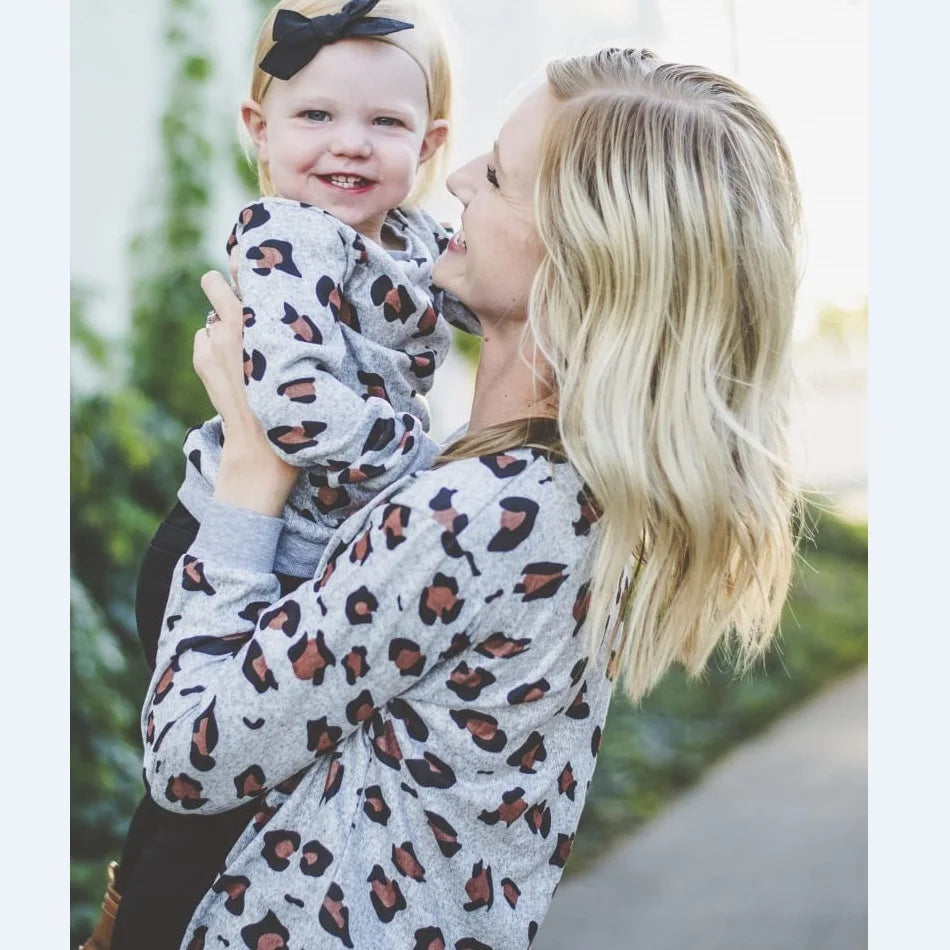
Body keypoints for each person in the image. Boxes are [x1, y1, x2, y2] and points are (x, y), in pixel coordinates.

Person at [111, 44, 801, 950]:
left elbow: (189, 758)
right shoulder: (584, 491)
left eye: (502, 178)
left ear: (586, 251)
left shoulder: (473, 512)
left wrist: (250, 477)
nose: (460, 178)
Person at [85, 3, 480, 949]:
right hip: (229, 545)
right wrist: (426, 461)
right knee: (205, 789)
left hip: (306, 560)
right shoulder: (285, 238)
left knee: (260, 782)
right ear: (258, 133)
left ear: (428, 144)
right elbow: (293, 407)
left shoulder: (415, 239)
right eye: (316, 117)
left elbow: (492, 307)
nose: (350, 144)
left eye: (384, 124)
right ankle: (133, 925)